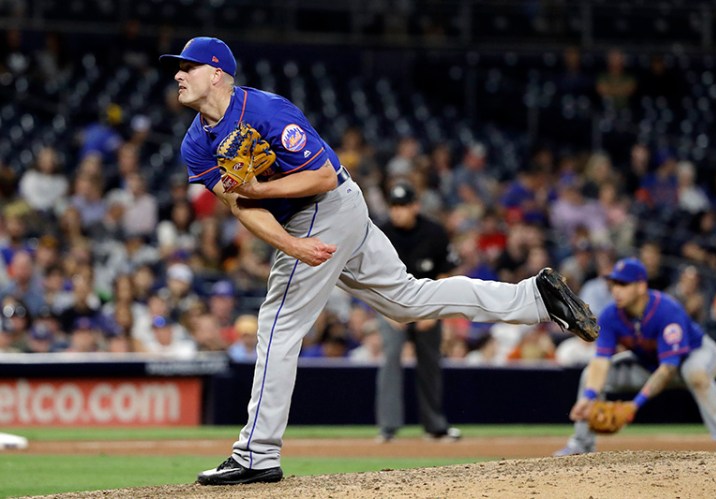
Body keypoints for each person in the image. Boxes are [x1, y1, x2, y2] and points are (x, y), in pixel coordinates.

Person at [159, 36, 599, 486]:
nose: (177, 74)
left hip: (327, 204)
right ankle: (535, 299)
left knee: (276, 324)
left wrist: (261, 192)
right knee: (407, 300)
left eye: (186, 67)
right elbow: (239, 207)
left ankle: (256, 453)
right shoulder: (196, 143)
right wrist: (290, 244)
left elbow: (322, 175)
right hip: (314, 220)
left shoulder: (267, 111)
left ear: (217, 73)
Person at [554, 257, 716, 456]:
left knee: (695, 374)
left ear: (641, 286)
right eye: (614, 283)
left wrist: (634, 405)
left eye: (623, 284)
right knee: (588, 375)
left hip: (694, 355)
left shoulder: (667, 309)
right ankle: (581, 444)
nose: (616, 289)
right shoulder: (610, 315)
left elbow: (668, 368)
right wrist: (588, 397)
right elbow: (601, 362)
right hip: (649, 364)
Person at [375, 182, 460, 443]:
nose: (397, 212)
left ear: (415, 206)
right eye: (394, 206)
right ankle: (388, 428)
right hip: (391, 304)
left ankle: (435, 426)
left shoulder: (434, 232)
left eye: (403, 206)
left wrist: (434, 312)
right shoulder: (381, 232)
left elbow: (444, 273)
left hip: (427, 304)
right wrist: (387, 310)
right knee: (390, 361)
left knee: (431, 364)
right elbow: (372, 276)